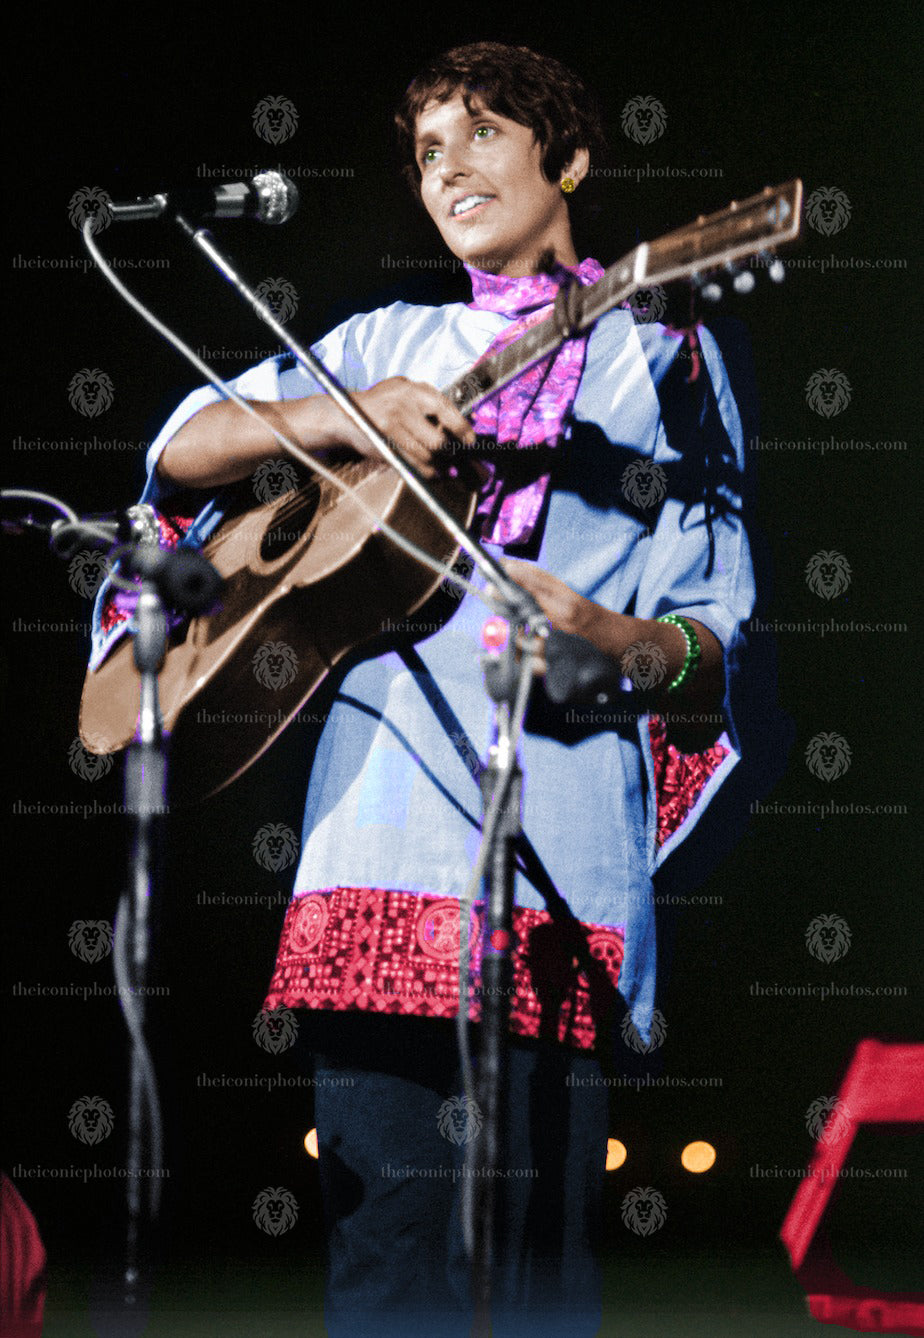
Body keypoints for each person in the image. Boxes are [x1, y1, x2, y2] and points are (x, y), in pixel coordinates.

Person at [89, 41, 756, 1338]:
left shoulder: (661, 357)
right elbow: (181, 442)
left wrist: (613, 633)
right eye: (426, 149)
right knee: (390, 1257)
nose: (446, 165)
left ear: (567, 159)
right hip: (376, 836)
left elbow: (713, 628)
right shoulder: (386, 341)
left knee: (539, 1265)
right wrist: (350, 415)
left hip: (555, 845)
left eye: (483, 134)